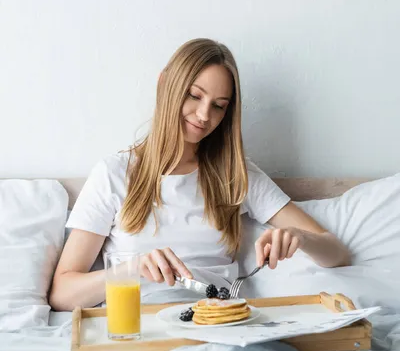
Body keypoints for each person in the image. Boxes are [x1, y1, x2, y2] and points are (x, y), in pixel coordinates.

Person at [50, 38, 350, 311]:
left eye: (219, 106)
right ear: (164, 85)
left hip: (218, 322)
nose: (205, 115)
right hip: (140, 326)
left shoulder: (235, 175)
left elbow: (336, 253)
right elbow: (62, 294)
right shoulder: (115, 174)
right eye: (195, 96)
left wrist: (298, 236)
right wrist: (132, 269)